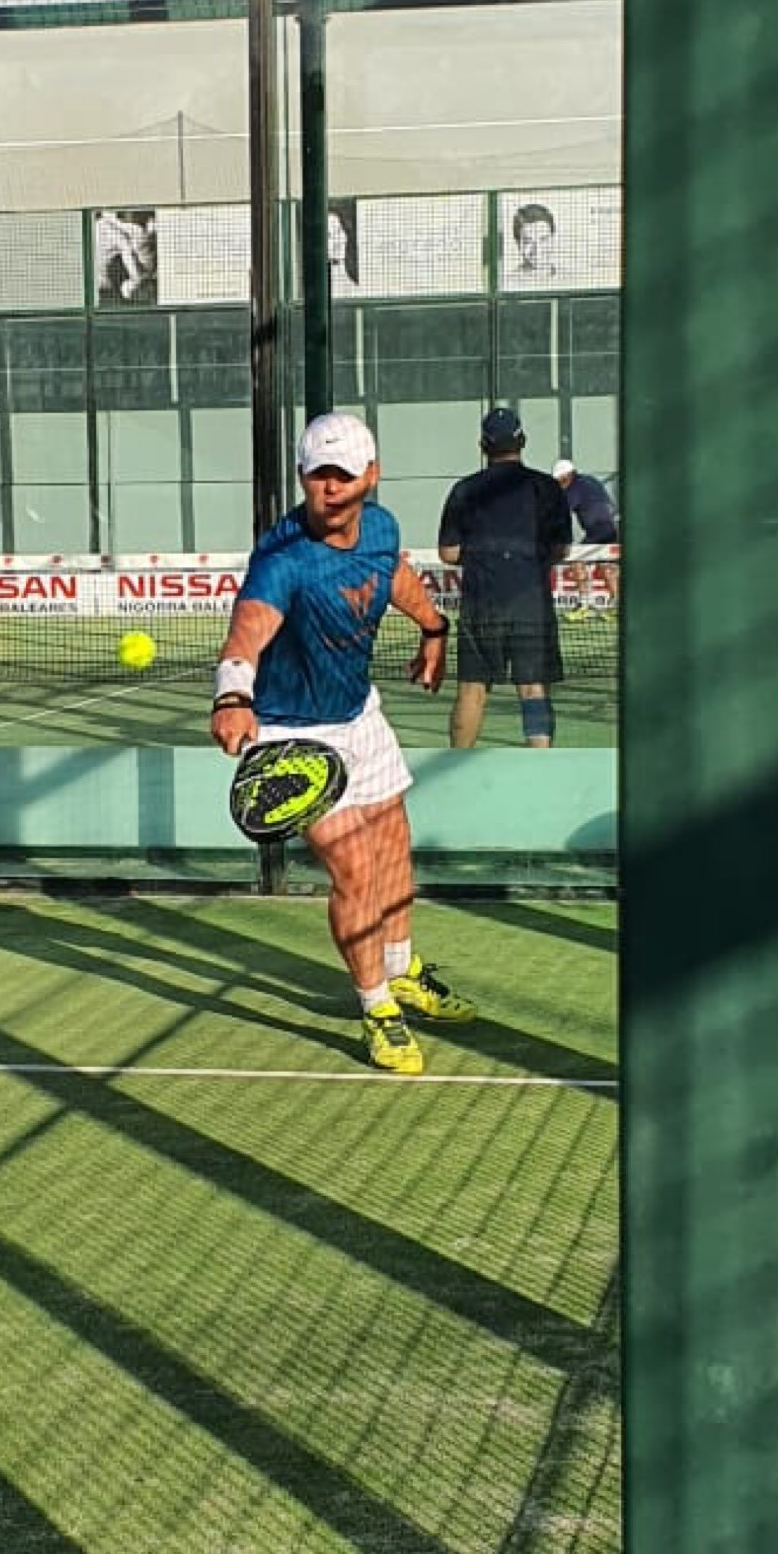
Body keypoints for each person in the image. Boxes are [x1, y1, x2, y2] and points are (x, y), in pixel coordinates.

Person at [210, 409, 481, 1076]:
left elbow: (391, 573)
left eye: (344, 475)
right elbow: (248, 628)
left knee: (392, 844)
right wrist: (232, 694)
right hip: (291, 733)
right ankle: (376, 1007)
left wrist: (433, 629)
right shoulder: (283, 558)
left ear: (371, 475)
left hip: (360, 715)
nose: (330, 488)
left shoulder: (380, 527)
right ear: (302, 476)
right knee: (355, 869)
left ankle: (401, 969)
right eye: (317, 475)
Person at [438, 406, 571, 749]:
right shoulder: (547, 488)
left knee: (472, 688)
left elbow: (448, 553)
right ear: (522, 440)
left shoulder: (464, 490)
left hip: (481, 605)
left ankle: (457, 766)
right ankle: (540, 765)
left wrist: (481, 557)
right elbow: (561, 549)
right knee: (533, 687)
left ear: (483, 445)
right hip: (531, 604)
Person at [551, 457, 620, 608]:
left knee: (577, 560)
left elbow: (563, 513)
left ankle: (584, 604)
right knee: (607, 565)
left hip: (598, 531)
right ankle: (616, 603)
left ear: (567, 476)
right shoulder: (591, 481)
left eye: (560, 481)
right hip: (610, 528)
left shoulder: (574, 488)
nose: (560, 485)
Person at [93, 208, 158, 305]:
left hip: (110, 285)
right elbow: (126, 251)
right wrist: (136, 277)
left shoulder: (132, 231)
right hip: (109, 284)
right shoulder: (111, 229)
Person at [509, 201, 558, 280]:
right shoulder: (512, 280)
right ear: (518, 244)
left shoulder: (567, 278)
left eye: (544, 240)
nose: (537, 250)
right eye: (528, 242)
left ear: (553, 239)